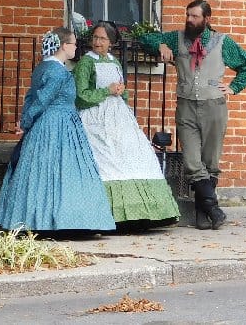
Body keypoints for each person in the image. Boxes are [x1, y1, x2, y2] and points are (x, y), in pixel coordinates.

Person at [138, 0, 246, 230]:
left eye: (194, 16)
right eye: (188, 15)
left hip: (214, 106)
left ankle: (204, 214)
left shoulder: (222, 42)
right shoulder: (178, 38)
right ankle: (214, 208)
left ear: (207, 19)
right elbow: (145, 39)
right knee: (192, 162)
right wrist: (161, 44)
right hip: (186, 106)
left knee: (210, 162)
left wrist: (233, 87)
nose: (189, 20)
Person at [0, 27, 116, 233]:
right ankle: (62, 222)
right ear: (63, 46)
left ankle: (38, 218)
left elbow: (31, 97)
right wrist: (24, 122)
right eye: (73, 44)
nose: (76, 48)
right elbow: (41, 99)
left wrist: (26, 120)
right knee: (61, 171)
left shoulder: (43, 67)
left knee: (42, 172)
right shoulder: (57, 71)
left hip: (48, 125)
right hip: (57, 125)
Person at [74, 22, 180, 229]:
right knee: (105, 160)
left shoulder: (114, 62)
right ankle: (106, 215)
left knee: (133, 157)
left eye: (103, 39)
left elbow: (122, 92)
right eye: (95, 37)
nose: (97, 42)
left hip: (118, 117)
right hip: (94, 117)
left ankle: (141, 213)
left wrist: (121, 91)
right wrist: (107, 91)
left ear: (112, 43)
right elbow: (81, 96)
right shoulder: (86, 62)